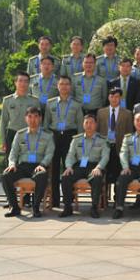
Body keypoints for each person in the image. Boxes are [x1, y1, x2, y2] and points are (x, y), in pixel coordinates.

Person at [1, 106, 54, 218]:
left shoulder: (47, 135)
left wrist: (43, 164)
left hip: (38, 165)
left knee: (42, 176)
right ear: (26, 118)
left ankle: (35, 207)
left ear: (40, 118)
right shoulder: (20, 134)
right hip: (23, 166)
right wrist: (12, 164)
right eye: (29, 117)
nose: (32, 120)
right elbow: (14, 152)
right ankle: (15, 207)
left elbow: (49, 153)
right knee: (6, 176)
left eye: (35, 117)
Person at [43, 75, 84, 207]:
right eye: (62, 84)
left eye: (67, 84)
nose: (64, 86)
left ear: (70, 87)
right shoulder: (50, 103)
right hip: (54, 136)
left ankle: (69, 199)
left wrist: (79, 143)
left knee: (69, 168)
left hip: (70, 136)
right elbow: (46, 124)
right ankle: (54, 200)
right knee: (54, 169)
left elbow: (80, 125)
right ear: (57, 86)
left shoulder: (77, 104)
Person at [59, 114, 110, 218]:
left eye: (91, 122)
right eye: (86, 122)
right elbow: (70, 155)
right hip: (79, 166)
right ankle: (67, 207)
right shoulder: (76, 139)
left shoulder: (102, 140)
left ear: (96, 124)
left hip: (94, 166)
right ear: (83, 124)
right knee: (65, 177)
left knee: (96, 178)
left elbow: (105, 157)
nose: (89, 125)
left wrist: (99, 168)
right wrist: (68, 166)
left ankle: (94, 208)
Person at [96, 88, 133, 199]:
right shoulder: (101, 112)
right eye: (112, 96)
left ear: (120, 99)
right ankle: (102, 198)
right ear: (108, 97)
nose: (114, 99)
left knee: (118, 173)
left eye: (117, 97)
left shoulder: (127, 113)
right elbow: (97, 131)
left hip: (119, 147)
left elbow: (129, 132)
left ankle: (118, 198)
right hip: (104, 147)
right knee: (103, 172)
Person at [0, 72, 40, 162]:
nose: (23, 84)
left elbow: (38, 121)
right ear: (15, 82)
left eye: (26, 81)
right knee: (11, 163)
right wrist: (3, 141)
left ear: (29, 84)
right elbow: (3, 122)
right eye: (20, 81)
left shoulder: (35, 101)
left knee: (28, 164)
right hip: (12, 134)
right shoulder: (7, 100)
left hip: (29, 135)